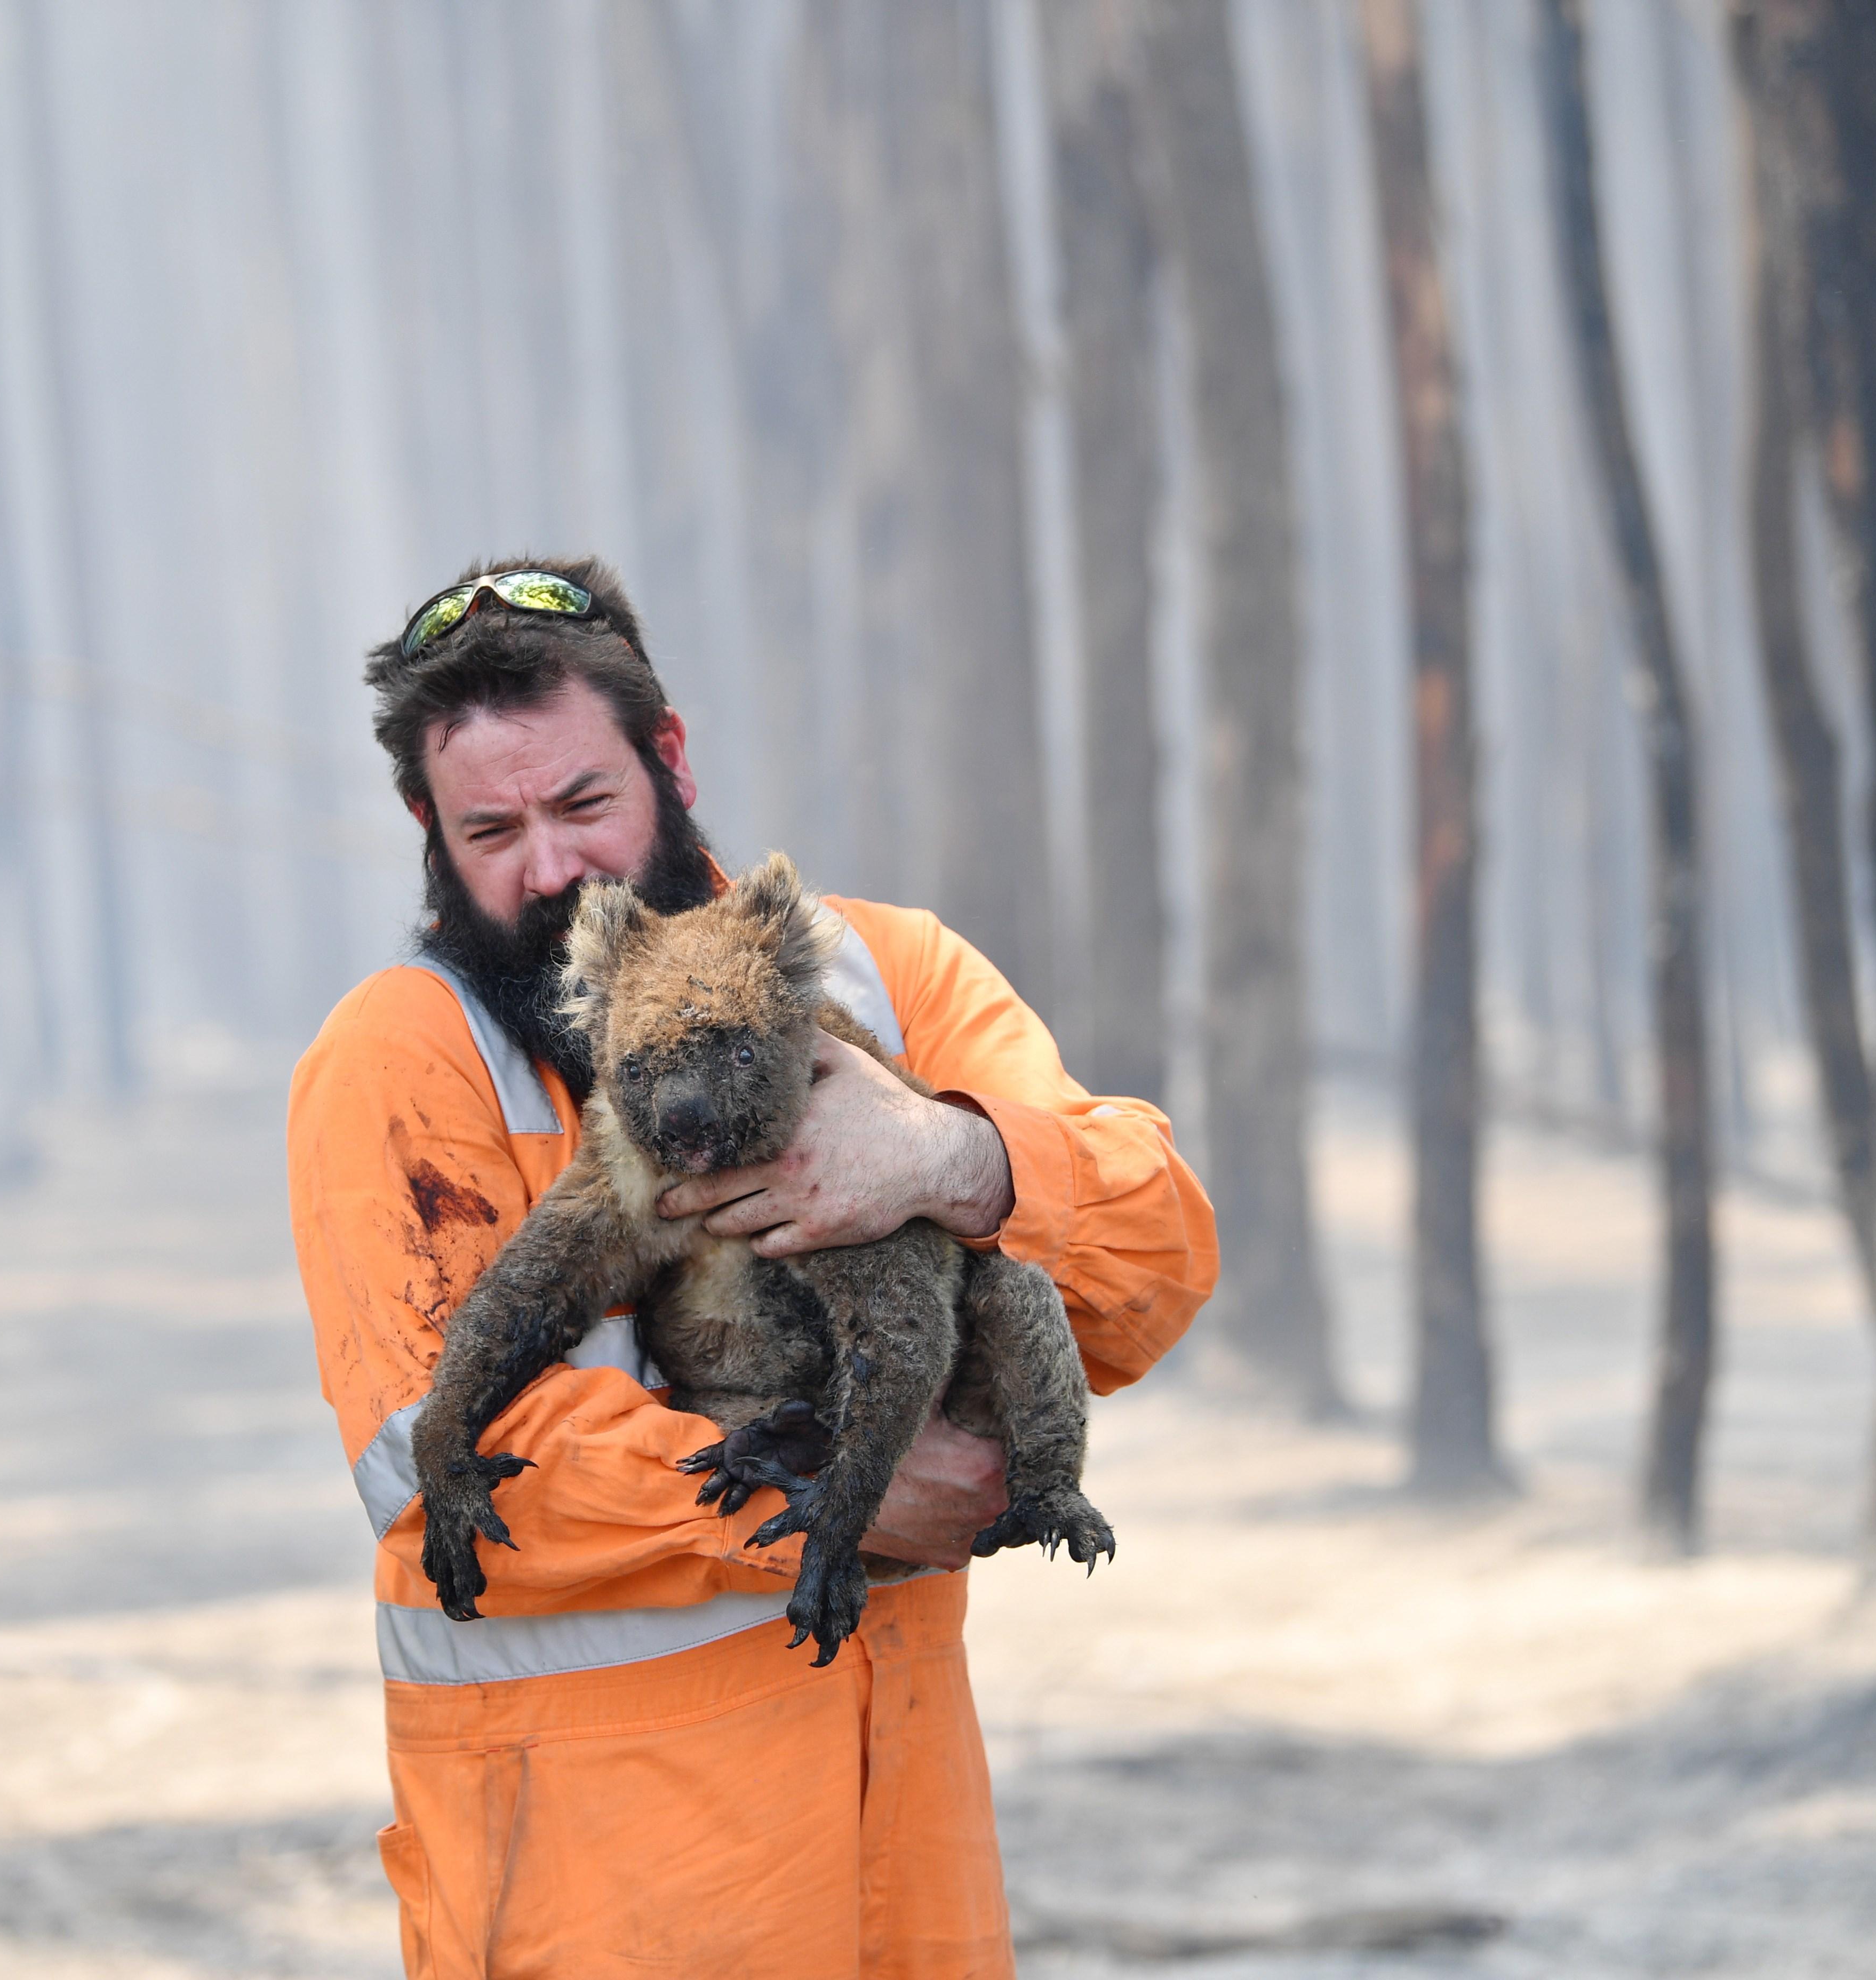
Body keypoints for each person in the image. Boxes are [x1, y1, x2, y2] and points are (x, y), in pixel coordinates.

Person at [287, 557, 1218, 1977]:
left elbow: (1156, 1256)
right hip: (592, 1906)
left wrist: (950, 1161)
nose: (549, 868)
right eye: (490, 828)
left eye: (584, 805)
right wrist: (817, 1494)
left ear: (670, 758)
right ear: (427, 828)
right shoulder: (404, 1060)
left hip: (903, 1880)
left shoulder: (879, 975)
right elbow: (435, 1457)